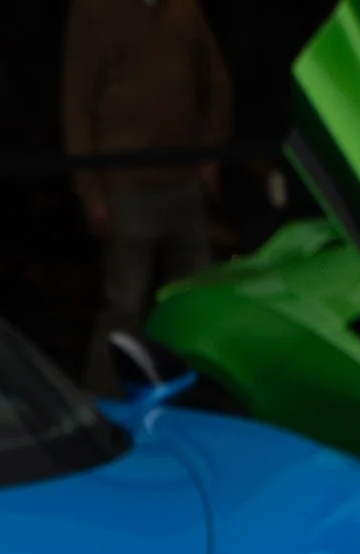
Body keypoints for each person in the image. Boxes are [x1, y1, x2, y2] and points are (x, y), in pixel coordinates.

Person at [61, 0, 233, 384]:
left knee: (197, 297)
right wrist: (90, 191)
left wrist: (210, 153)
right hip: (127, 184)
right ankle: (104, 401)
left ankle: (203, 391)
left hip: (183, 176)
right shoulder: (93, 12)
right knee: (125, 304)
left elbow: (216, 80)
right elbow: (77, 106)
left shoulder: (184, 8)